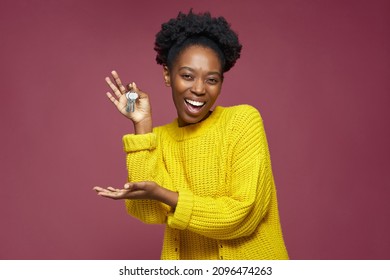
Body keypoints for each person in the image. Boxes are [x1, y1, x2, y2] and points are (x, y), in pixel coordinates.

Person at [94, 10, 289, 260]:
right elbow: (147, 212)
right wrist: (142, 125)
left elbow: (242, 214)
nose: (198, 89)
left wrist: (164, 194)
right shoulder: (161, 138)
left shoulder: (243, 121)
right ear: (167, 74)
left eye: (211, 79)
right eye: (187, 76)